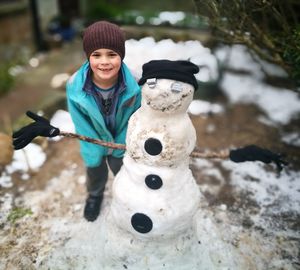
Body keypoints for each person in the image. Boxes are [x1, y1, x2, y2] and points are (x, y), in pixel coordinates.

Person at [64, 21, 141, 222]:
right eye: (96, 55)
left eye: (112, 54)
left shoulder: (134, 85)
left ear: (121, 56)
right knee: (95, 169)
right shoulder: (75, 86)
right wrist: (93, 145)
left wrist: (120, 143)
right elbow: (79, 120)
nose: (104, 61)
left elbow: (136, 117)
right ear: (88, 57)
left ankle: (128, 197)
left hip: (121, 137)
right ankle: (95, 195)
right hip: (92, 138)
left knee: (123, 169)